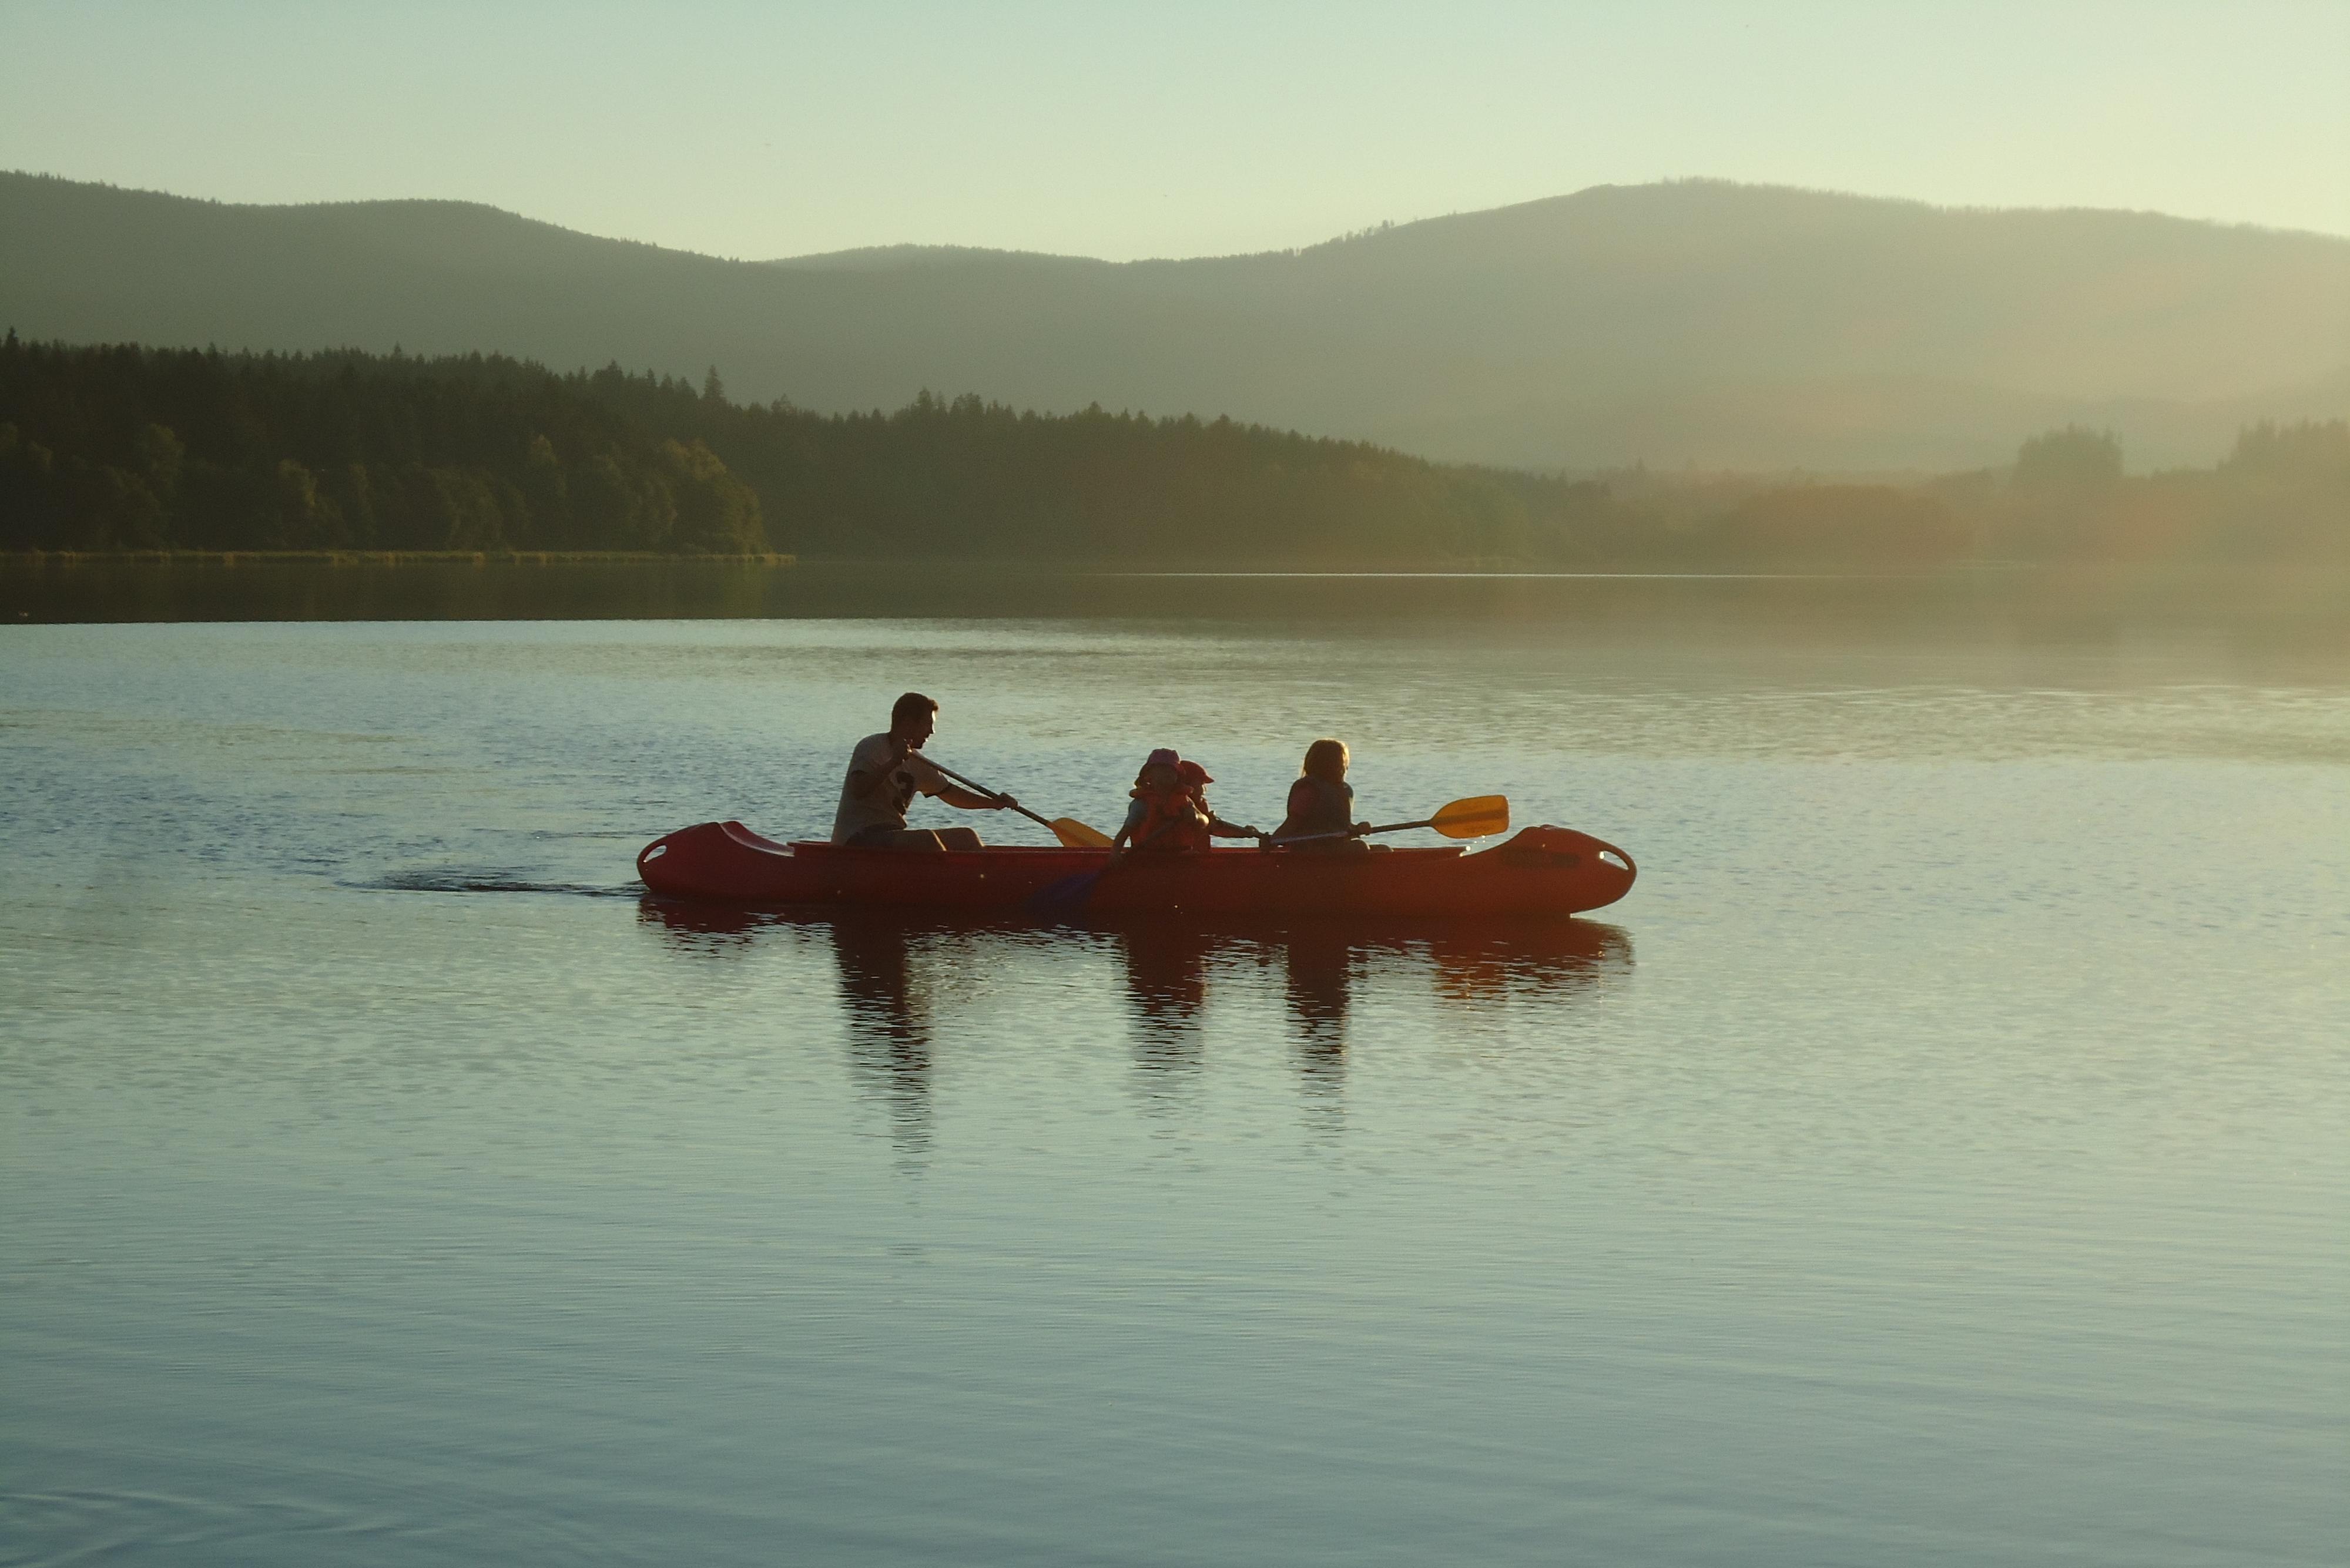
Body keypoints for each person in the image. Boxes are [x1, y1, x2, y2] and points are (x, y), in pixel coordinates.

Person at [830, 692, 1015, 851]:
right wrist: (894, 761)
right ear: (909, 722)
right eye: (928, 724)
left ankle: (983, 881)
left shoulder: (918, 762)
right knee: (927, 840)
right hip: (857, 838)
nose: (932, 732)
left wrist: (993, 803)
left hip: (891, 835)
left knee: (967, 836)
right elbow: (859, 790)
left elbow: (952, 794)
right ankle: (953, 882)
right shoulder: (871, 747)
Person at [1107, 748, 1211, 862]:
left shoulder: (1185, 801)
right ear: (1149, 776)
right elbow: (1124, 833)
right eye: (1160, 772)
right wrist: (1115, 854)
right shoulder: (1141, 804)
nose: (1165, 776)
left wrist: (1196, 817)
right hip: (1149, 860)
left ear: (1178, 776)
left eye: (1170, 772)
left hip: (1180, 858)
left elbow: (1205, 821)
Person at [1272, 737, 1372, 850]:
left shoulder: (1344, 790)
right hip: (1309, 850)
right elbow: (1292, 823)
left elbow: (1342, 827)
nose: (1344, 768)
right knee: (1360, 847)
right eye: (1340, 763)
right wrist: (1275, 840)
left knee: (1383, 849)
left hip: (1335, 849)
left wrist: (1358, 828)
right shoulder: (1309, 790)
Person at [1176, 759, 1263, 844]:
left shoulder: (1198, 805)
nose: (1204, 790)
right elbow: (1215, 828)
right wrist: (1248, 833)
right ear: (1188, 784)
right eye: (1201, 784)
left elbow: (1217, 827)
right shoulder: (1181, 805)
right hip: (1185, 856)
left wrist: (1247, 833)